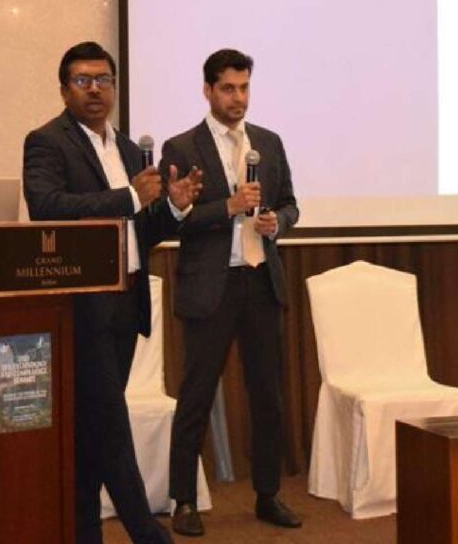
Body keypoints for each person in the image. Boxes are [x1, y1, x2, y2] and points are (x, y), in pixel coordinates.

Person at [23, 41, 202, 544]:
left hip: (126, 301)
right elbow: (47, 207)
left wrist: (174, 209)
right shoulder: (46, 142)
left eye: (103, 79)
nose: (95, 89)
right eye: (83, 80)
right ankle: (147, 531)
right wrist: (129, 197)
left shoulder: (125, 148)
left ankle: (83, 533)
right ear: (64, 89)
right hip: (81, 306)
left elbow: (139, 232)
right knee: (108, 418)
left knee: (90, 430)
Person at [160, 49, 301, 536]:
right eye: (228, 88)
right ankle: (183, 500)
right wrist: (229, 206)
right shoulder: (181, 148)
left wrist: (274, 221)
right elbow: (176, 218)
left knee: (269, 396)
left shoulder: (269, 143)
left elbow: (291, 205)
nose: (238, 98)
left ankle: (267, 493)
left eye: (244, 88)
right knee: (196, 394)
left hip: (261, 282)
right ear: (208, 90)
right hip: (210, 288)